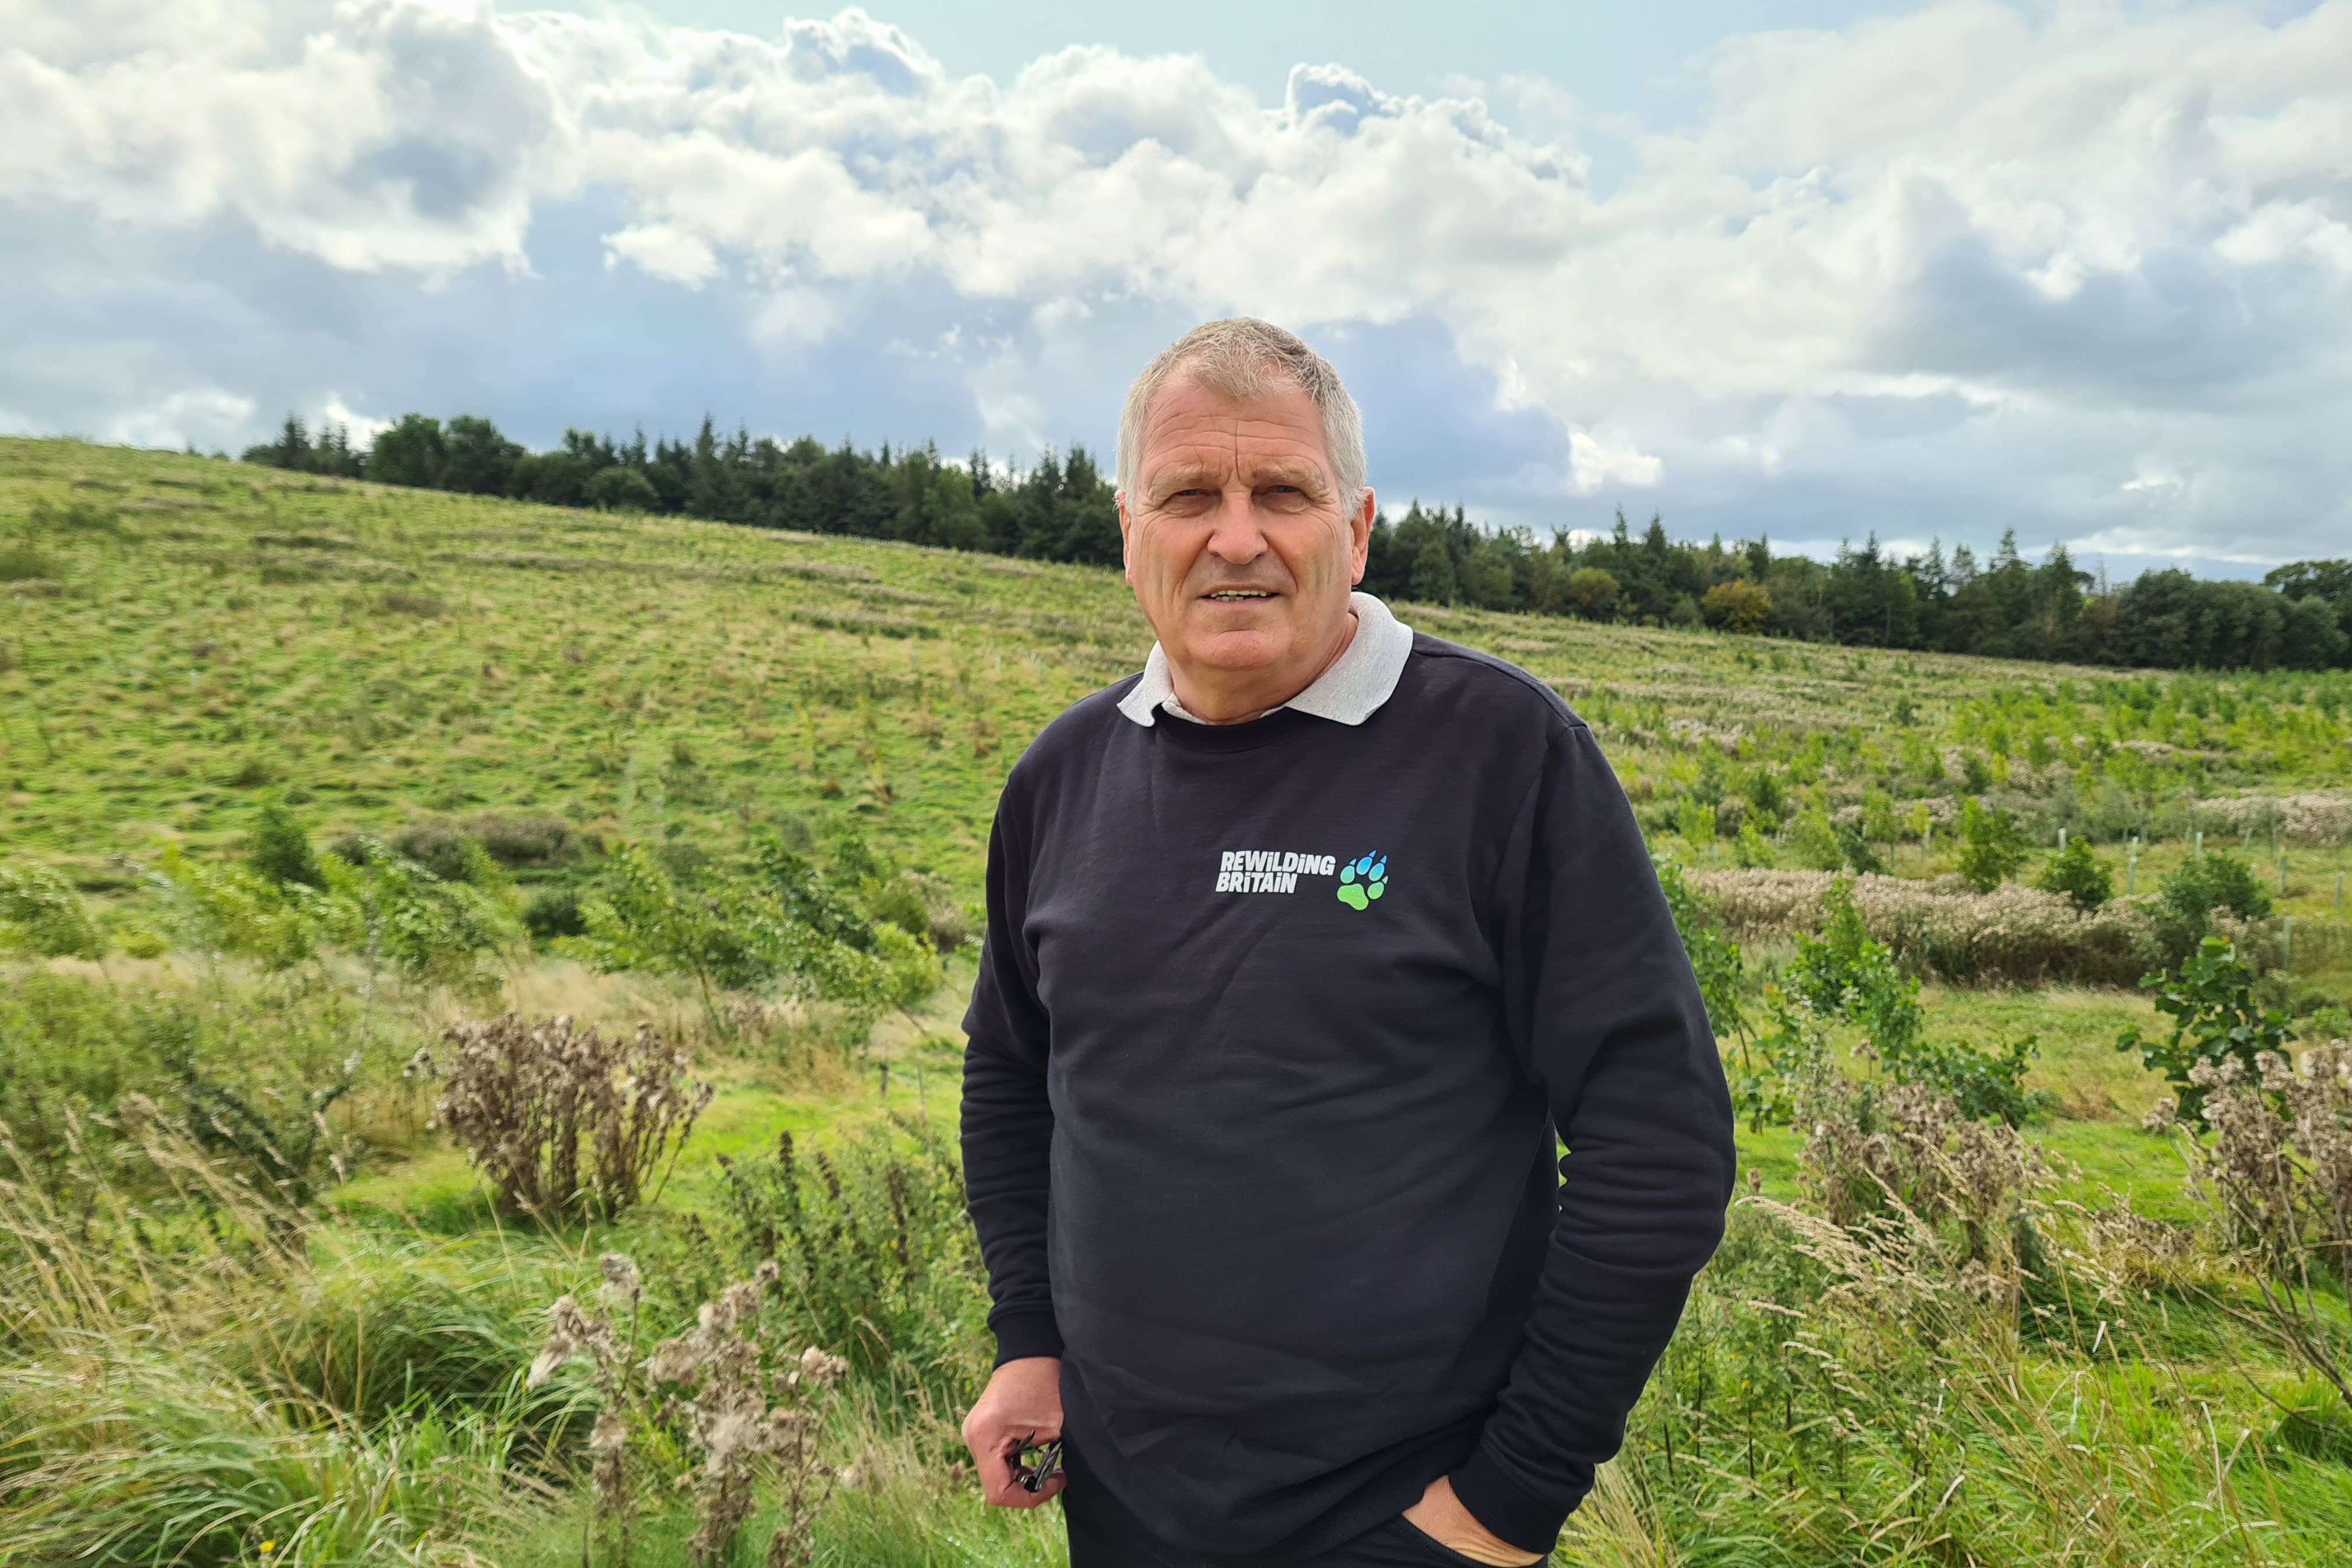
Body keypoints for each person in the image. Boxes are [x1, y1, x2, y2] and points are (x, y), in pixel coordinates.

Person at [959, 318, 1737, 1567]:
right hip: (1124, 1506)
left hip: (1403, 1520)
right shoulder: (1065, 776)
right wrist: (1030, 1343)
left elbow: (1661, 1146)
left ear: (1357, 527)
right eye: (1187, 496)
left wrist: (1504, 1506)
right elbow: (1012, 1074)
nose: (1236, 536)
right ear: (1126, 531)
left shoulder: (1502, 755)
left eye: (1283, 492)